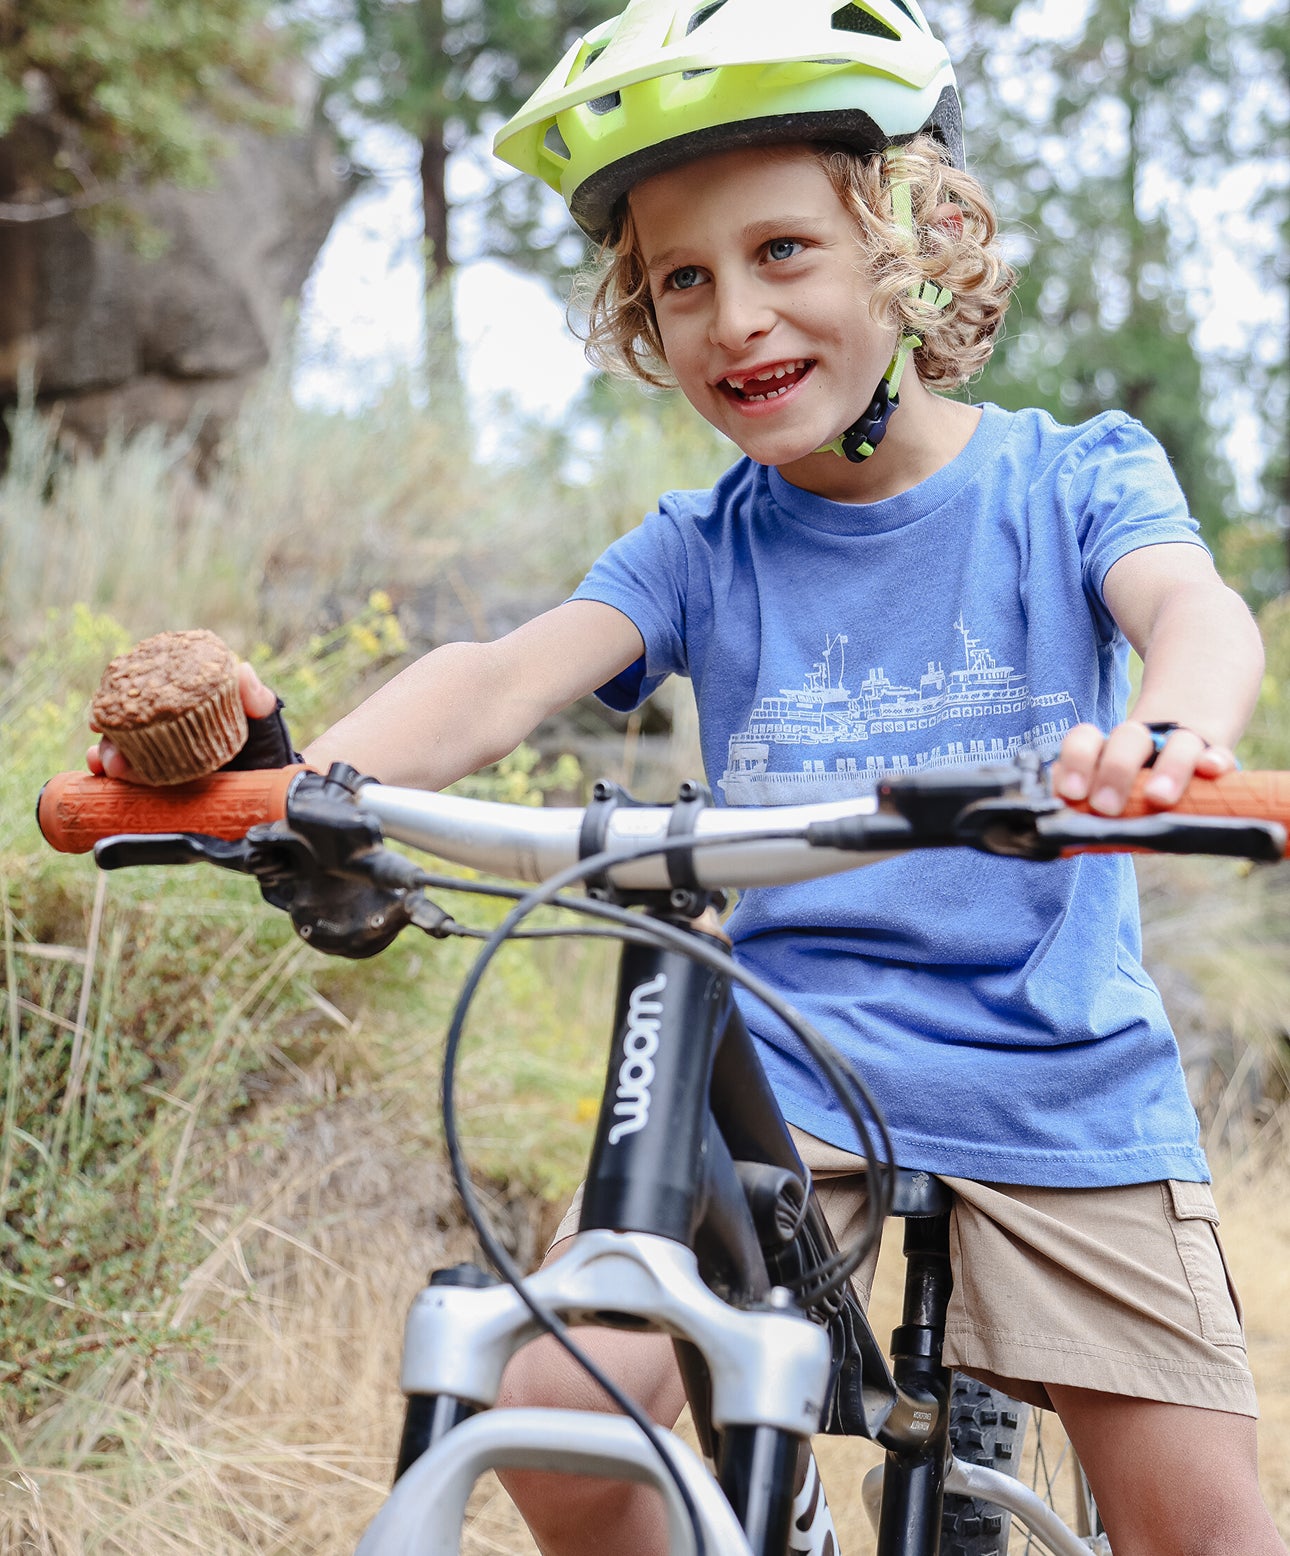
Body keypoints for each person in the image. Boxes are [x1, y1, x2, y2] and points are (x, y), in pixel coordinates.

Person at [91, 1, 1284, 1551]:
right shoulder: (702, 544)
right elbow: (500, 677)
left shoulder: (1071, 476)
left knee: (1207, 1530)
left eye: (783, 251)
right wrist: (303, 785)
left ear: (905, 249)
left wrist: (1171, 738)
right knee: (557, 1413)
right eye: (681, 278)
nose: (732, 316)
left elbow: (1190, 612)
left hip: (1053, 1085)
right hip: (782, 1076)